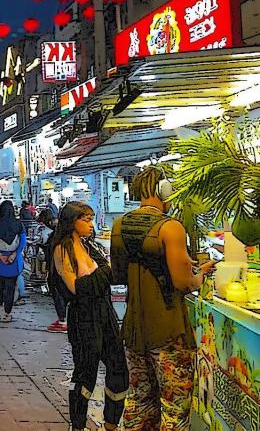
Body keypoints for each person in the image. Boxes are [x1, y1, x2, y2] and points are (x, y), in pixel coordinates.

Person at [111, 166, 217, 430]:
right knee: (174, 406)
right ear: (164, 190)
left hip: (134, 331)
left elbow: (119, 276)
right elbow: (183, 283)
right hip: (168, 331)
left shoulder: (119, 226)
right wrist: (200, 276)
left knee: (138, 402)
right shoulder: (170, 227)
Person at [52, 202, 128, 431]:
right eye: (85, 220)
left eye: (91, 219)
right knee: (86, 373)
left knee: (118, 367)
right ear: (72, 221)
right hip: (83, 317)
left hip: (105, 313)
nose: (90, 224)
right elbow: (77, 288)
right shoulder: (61, 250)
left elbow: (108, 277)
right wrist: (107, 271)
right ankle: (78, 425)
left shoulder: (90, 247)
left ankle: (111, 423)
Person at [0, 200, 27, 322]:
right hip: (14, 260)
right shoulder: (18, 224)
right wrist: (15, 253)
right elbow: (23, 241)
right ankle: (7, 314)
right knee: (10, 287)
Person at [38, 208, 66, 333]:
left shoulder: (58, 233)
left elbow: (52, 250)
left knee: (58, 292)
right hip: (59, 268)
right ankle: (63, 319)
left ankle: (63, 321)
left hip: (57, 269)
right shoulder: (59, 232)